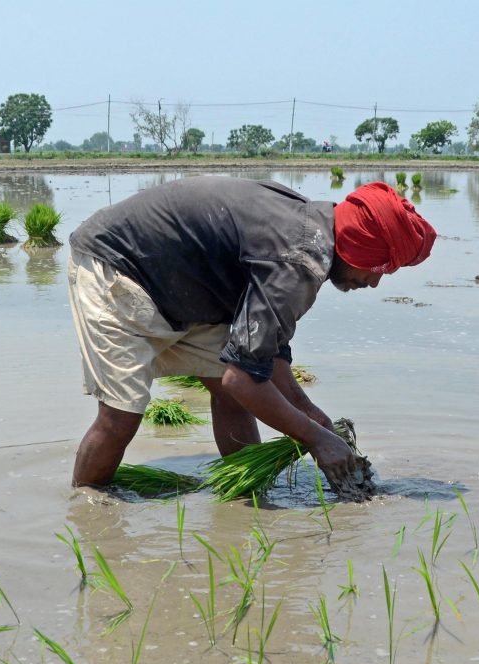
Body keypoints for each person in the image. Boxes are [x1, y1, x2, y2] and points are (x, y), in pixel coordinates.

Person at [67, 177, 436, 490]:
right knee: (121, 417)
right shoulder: (299, 258)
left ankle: (246, 495)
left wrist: (314, 417)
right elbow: (241, 379)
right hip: (119, 268)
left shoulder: (310, 231)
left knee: (230, 396)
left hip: (182, 287)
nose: (373, 283)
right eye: (378, 269)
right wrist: (317, 439)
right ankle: (87, 508)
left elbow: (264, 356)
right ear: (358, 248)